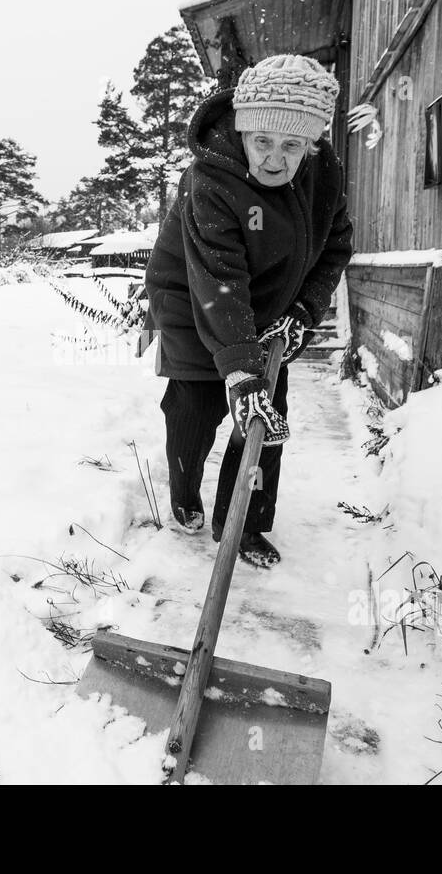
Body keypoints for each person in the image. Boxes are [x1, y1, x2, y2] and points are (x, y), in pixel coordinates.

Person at [142, 53, 354, 568]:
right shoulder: (211, 180)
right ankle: (185, 490)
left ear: (313, 143)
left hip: (268, 311)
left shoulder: (323, 175)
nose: (275, 159)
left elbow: (336, 244)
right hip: (196, 302)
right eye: (262, 141)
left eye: (292, 145)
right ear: (242, 133)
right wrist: (241, 373)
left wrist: (303, 310)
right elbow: (219, 280)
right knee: (196, 410)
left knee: (264, 420)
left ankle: (244, 524)